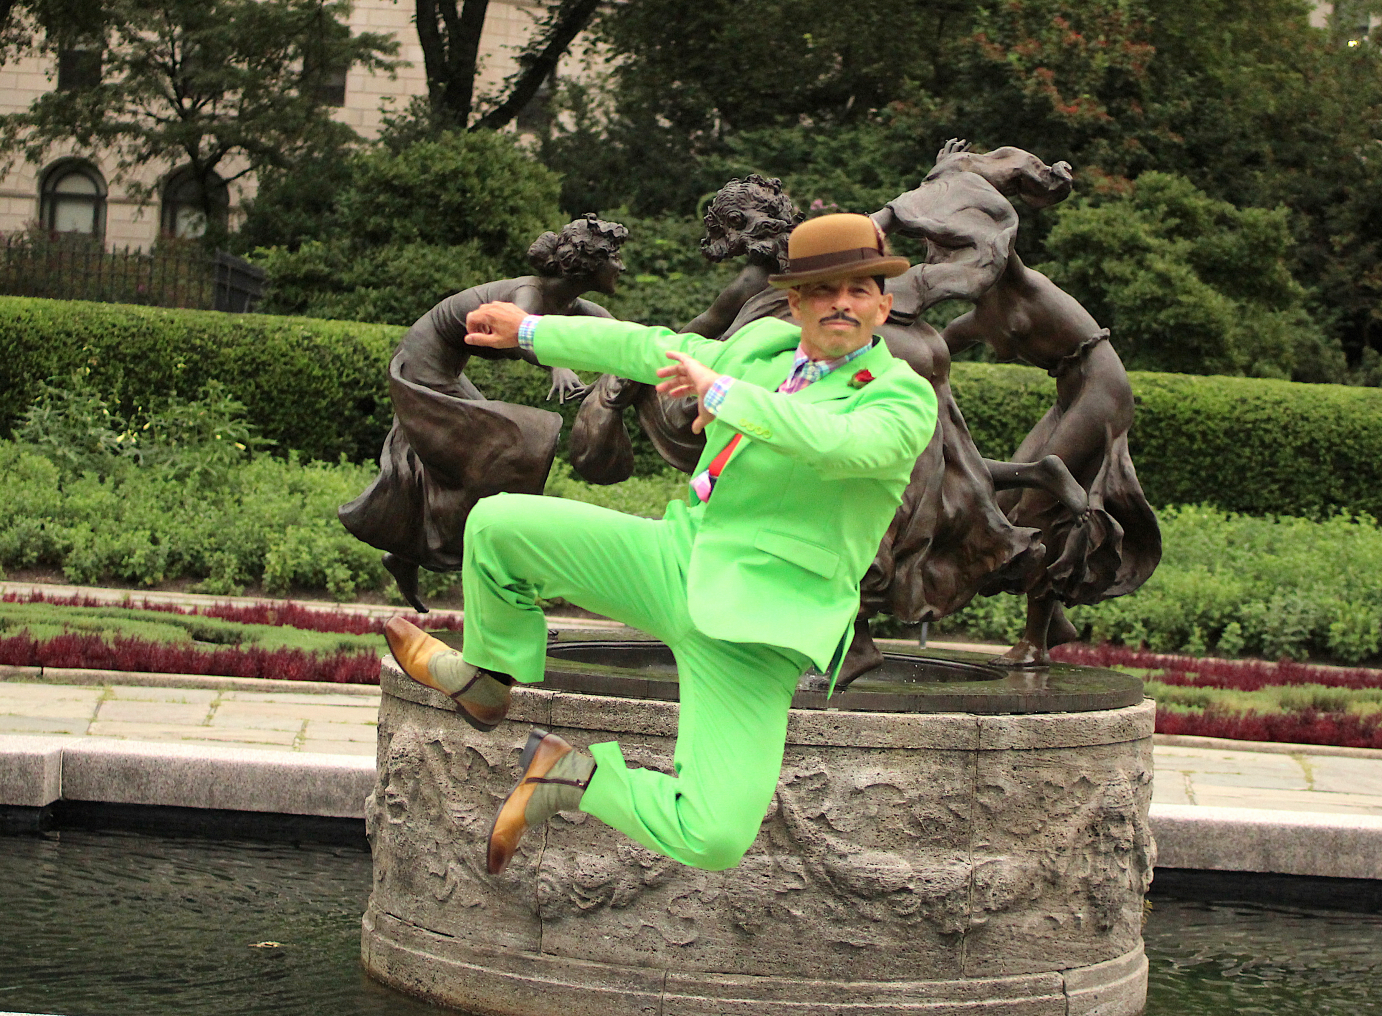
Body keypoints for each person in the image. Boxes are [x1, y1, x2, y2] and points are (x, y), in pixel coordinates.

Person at [383, 213, 938, 875]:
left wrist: (725, 396)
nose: (841, 302)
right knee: (500, 527)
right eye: (823, 290)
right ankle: (488, 678)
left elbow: (833, 442)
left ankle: (570, 777)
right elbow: (651, 347)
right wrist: (529, 331)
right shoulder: (761, 346)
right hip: (676, 558)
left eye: (858, 288)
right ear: (796, 302)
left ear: (885, 301)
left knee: (714, 838)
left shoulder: (903, 398)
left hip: (757, 630)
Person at [338, 214, 629, 612]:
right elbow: (521, 331)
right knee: (518, 446)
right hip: (421, 368)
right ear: (587, 261)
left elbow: (624, 337)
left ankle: (409, 553)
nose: (621, 265)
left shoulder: (572, 304)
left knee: (485, 466)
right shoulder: (530, 291)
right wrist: (557, 363)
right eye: (613, 256)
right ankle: (490, 573)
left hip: (443, 371)